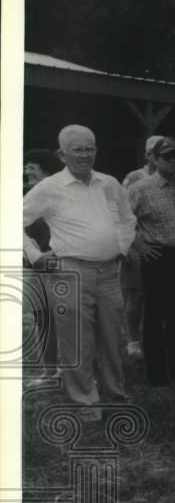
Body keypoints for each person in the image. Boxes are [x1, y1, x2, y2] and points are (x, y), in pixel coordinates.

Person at [23, 125, 135, 422]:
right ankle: (86, 404)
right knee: (77, 342)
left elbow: (126, 219)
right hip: (70, 272)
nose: (86, 154)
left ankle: (116, 397)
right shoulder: (49, 188)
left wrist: (121, 249)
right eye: (78, 149)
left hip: (110, 272)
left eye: (90, 148)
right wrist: (35, 255)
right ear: (62, 154)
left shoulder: (109, 183)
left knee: (113, 337)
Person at [129, 136, 175, 386]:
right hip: (156, 257)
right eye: (167, 157)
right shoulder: (141, 188)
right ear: (154, 159)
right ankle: (157, 373)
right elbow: (124, 221)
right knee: (154, 316)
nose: (173, 161)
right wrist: (138, 244)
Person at [23, 148, 64, 386]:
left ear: (46, 170)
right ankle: (50, 372)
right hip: (37, 267)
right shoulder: (30, 196)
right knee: (42, 318)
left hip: (61, 265)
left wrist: (54, 253)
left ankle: (74, 372)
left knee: (66, 320)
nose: (26, 171)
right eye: (26, 166)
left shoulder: (56, 194)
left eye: (32, 167)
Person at [121, 135, 164, 359]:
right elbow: (122, 214)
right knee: (136, 296)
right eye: (152, 152)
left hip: (162, 248)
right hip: (137, 246)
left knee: (158, 294)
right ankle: (132, 340)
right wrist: (127, 245)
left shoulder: (171, 177)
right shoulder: (134, 177)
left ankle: (154, 337)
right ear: (148, 155)